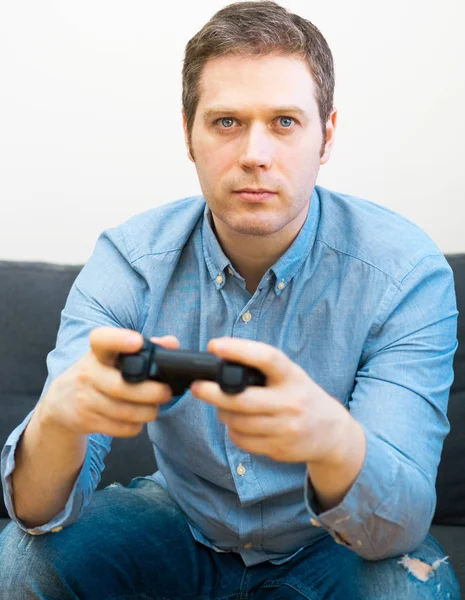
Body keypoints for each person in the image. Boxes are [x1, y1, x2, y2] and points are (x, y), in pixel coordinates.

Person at [0, 1, 461, 598]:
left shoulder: (405, 272)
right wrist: (57, 421)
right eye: (226, 122)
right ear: (188, 134)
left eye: (286, 122)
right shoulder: (128, 263)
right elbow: (36, 512)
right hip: (184, 521)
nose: (254, 154)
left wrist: (332, 439)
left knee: (410, 589)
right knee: (21, 562)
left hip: (332, 543)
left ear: (327, 136)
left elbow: (398, 526)